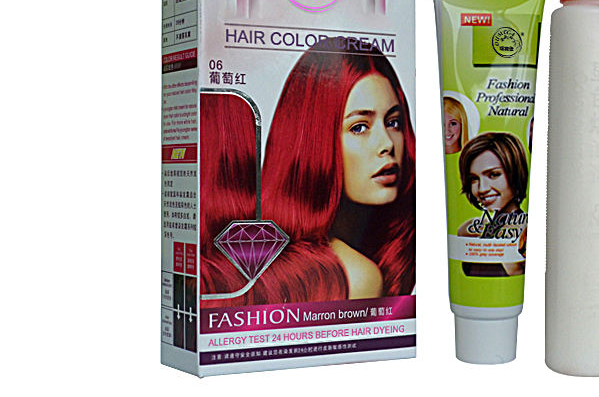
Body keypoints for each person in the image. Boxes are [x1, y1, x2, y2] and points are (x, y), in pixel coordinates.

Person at [200, 39, 415, 306]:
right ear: (315, 140)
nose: (387, 144)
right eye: (359, 127)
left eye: (393, 122)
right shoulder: (353, 276)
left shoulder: (247, 247)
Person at [456, 132, 528, 276]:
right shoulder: (470, 230)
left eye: (494, 175)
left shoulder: (523, 234)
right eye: (474, 179)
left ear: (515, 172)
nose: (482, 189)